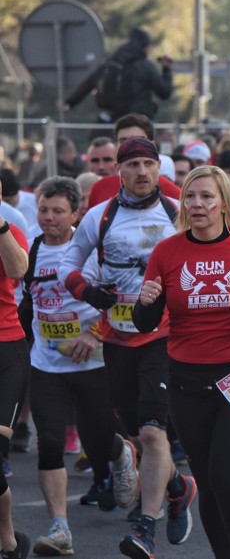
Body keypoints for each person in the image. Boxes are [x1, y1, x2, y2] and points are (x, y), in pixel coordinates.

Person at [133, 165, 230, 558]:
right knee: (206, 477)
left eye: (206, 197)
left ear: (223, 203)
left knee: (227, 476)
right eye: (190, 196)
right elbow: (145, 323)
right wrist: (145, 301)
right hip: (187, 381)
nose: (197, 204)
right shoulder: (167, 252)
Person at [58, 137, 195, 559]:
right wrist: (86, 290)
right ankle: (177, 487)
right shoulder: (100, 217)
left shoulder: (179, 212)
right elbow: (69, 263)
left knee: (155, 434)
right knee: (136, 433)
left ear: (159, 169)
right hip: (117, 338)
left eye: (148, 164)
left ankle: (145, 528)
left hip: (163, 337)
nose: (141, 172)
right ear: (119, 170)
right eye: (132, 164)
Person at [19, 177, 135, 556]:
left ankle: (119, 454)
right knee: (49, 443)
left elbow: (117, 301)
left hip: (94, 363)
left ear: (75, 214)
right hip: (47, 366)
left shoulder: (89, 253)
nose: (49, 217)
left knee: (99, 443)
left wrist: (94, 336)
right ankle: (60, 528)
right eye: (43, 210)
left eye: (57, 211)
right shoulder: (32, 251)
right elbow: (25, 304)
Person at [0, 172, 30, 559]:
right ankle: (9, 541)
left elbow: (19, 269)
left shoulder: (10, 225)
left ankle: (7, 537)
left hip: (6, 350)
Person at [65, 28, 173, 123]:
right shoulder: (145, 66)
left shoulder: (108, 66)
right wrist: (166, 70)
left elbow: (86, 86)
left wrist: (69, 103)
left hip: (115, 121)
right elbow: (164, 92)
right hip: (140, 121)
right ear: (144, 47)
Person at [87, 114, 181, 208]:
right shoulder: (99, 188)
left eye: (137, 140)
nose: (130, 146)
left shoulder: (174, 194)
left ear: (152, 144)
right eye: (123, 141)